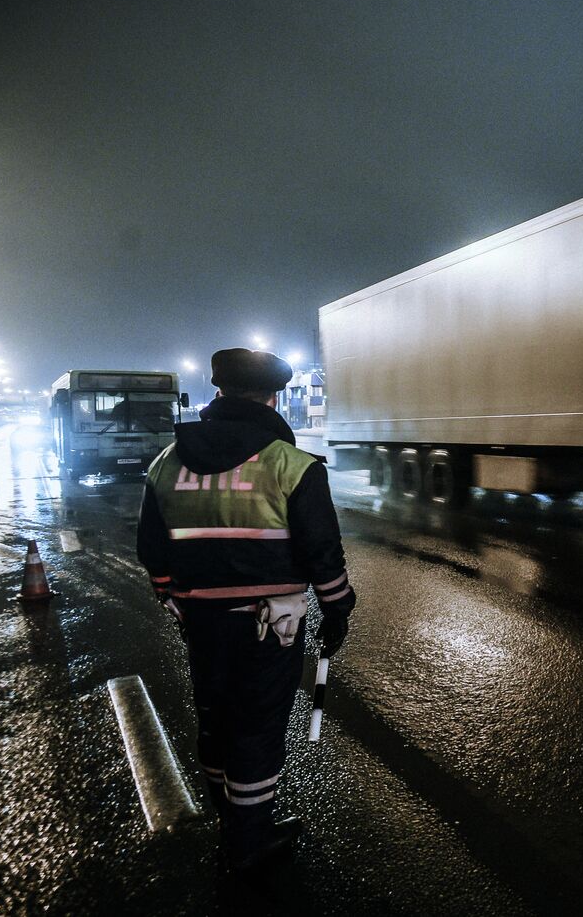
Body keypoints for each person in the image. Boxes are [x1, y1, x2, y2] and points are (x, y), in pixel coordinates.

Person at [136, 347, 356, 870]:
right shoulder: (291, 465)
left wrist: (174, 599)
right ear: (273, 398)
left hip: (202, 622)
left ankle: (228, 820)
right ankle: (248, 841)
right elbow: (321, 552)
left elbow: (152, 549)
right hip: (271, 625)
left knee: (216, 718)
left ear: (218, 392)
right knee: (256, 726)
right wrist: (337, 609)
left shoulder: (166, 463)